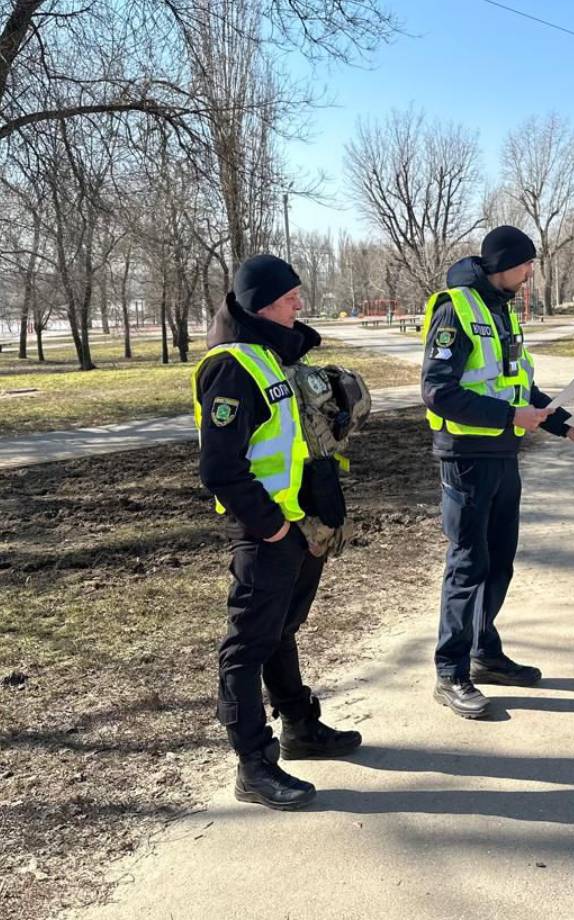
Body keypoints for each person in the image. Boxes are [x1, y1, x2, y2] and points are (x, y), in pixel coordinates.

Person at [193, 254, 362, 811]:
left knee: (281, 631)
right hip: (266, 532)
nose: (299, 304)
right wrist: (270, 528)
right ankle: (254, 765)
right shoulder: (231, 366)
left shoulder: (270, 357)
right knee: (247, 647)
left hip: (294, 529)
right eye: (290, 296)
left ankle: (299, 728)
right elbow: (220, 467)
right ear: (261, 303)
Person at [421, 226, 574, 719]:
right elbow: (438, 391)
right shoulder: (455, 309)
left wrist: (569, 427)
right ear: (503, 263)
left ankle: (484, 652)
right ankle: (450, 671)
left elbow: (523, 388)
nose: (530, 273)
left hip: (504, 454)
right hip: (466, 457)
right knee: (467, 563)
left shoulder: (503, 310)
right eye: (526, 265)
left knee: (499, 560)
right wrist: (508, 418)